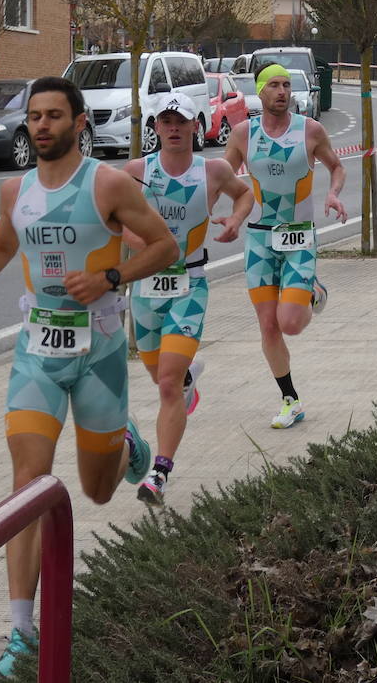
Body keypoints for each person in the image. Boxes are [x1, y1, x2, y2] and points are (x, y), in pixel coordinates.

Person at [0, 77, 179, 681]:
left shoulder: (107, 184)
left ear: (79, 123)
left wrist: (111, 278)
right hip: (38, 348)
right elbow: (3, 243)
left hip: (98, 348)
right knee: (27, 484)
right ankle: (22, 630)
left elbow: (165, 246)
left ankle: (125, 445)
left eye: (54, 116)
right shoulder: (13, 189)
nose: (42, 125)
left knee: (97, 490)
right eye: (34, 117)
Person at [122, 93, 253, 503]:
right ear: (156, 127)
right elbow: (113, 219)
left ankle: (158, 475)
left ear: (196, 125)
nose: (174, 127)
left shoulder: (212, 170)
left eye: (181, 120)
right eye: (166, 120)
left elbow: (245, 194)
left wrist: (234, 220)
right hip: (144, 289)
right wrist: (140, 243)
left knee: (165, 387)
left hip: (189, 286)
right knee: (168, 384)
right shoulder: (135, 172)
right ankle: (188, 384)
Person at [225, 64, 347, 429]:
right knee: (268, 326)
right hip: (260, 237)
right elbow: (222, 177)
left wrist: (333, 193)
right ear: (260, 92)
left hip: (299, 236)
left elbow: (336, 167)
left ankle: (310, 293)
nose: (282, 91)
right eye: (274, 85)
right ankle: (290, 399)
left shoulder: (310, 130)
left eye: (287, 85)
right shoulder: (243, 134)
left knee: (289, 323)